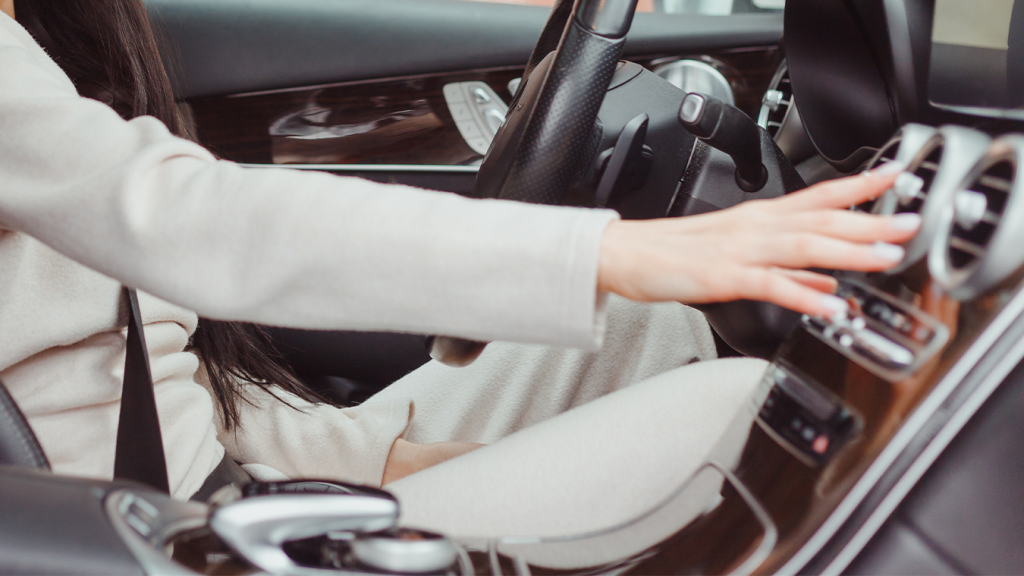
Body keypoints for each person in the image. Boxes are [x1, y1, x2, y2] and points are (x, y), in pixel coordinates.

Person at [0, 0, 917, 562]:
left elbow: (145, 379)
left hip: (232, 482)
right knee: (747, 405)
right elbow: (194, 221)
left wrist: (381, 466)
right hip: (170, 539)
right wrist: (613, 252)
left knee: (647, 328)